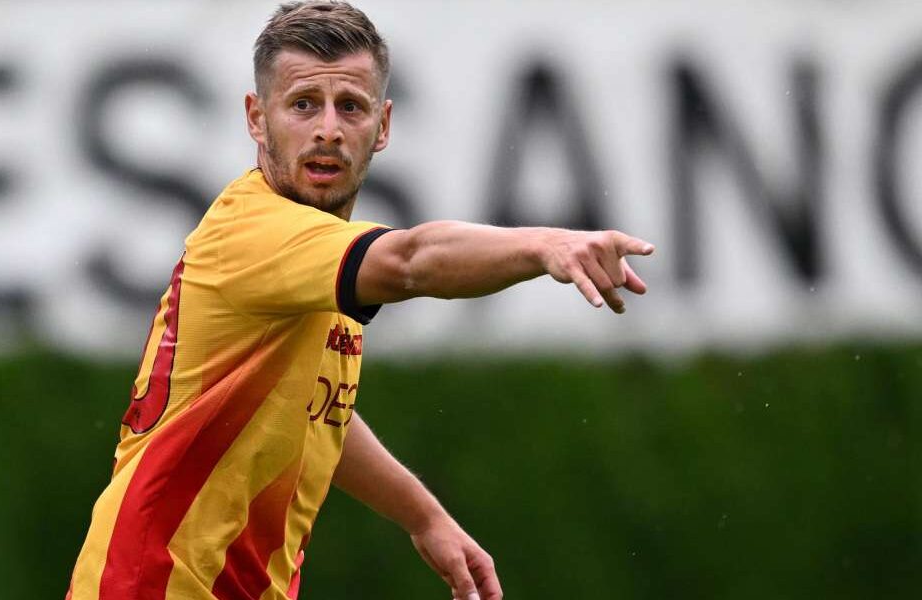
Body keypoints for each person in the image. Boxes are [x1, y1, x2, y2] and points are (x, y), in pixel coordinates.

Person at [67, 2, 654, 599]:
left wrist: (423, 517)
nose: (328, 129)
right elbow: (410, 262)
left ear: (383, 124)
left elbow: (316, 410)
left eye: (350, 106)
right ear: (256, 119)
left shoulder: (315, 258)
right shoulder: (256, 233)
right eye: (303, 105)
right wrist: (544, 244)